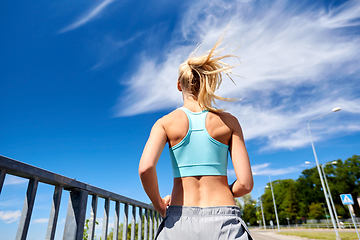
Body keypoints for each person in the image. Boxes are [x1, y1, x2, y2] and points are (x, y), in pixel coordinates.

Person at [139, 34, 254, 240]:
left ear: (179, 85)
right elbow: (245, 184)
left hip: (179, 218)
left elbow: (146, 168)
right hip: (224, 220)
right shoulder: (229, 122)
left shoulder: (165, 122)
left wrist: (158, 203)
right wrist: (225, 190)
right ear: (209, 84)